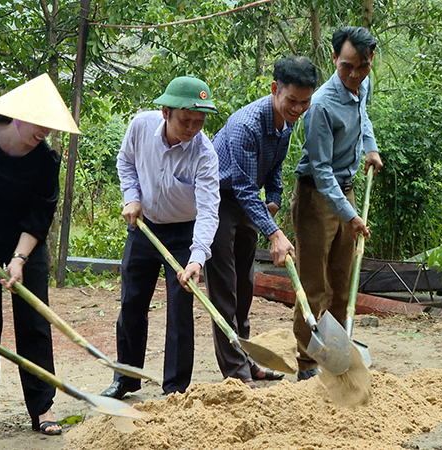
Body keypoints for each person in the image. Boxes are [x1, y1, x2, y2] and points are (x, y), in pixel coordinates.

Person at [0, 74, 79, 438]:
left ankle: (42, 408)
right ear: (16, 115)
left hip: (26, 245)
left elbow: (40, 214)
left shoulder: (45, 161)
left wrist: (20, 259)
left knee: (34, 323)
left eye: (50, 125)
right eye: (39, 122)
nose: (44, 131)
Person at [100, 76, 220, 400]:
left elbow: (209, 210)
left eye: (199, 121)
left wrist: (197, 258)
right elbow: (125, 163)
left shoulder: (205, 154)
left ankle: (175, 390)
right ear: (166, 112)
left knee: (180, 310)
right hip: (144, 226)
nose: (192, 127)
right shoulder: (140, 126)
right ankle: (126, 377)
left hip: (184, 234)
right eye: (186, 120)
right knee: (132, 302)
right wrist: (131, 196)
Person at [206, 56, 318, 387]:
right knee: (225, 289)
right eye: (292, 101)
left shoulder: (286, 121)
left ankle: (247, 359)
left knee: (245, 286)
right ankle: (236, 373)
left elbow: (275, 167)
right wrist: (275, 233)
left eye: (304, 102)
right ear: (274, 89)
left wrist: (275, 199)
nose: (298, 109)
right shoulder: (246, 125)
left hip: (249, 203)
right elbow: (240, 186)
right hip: (219, 202)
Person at [292, 26, 384, 381]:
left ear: (370, 60)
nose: (354, 75)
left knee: (343, 280)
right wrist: (351, 216)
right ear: (334, 59)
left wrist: (370, 148)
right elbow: (321, 169)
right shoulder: (321, 105)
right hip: (317, 195)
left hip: (346, 191)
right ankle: (306, 362)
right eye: (346, 67)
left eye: (361, 66)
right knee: (314, 284)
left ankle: (335, 351)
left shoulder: (363, 86)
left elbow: (364, 121)